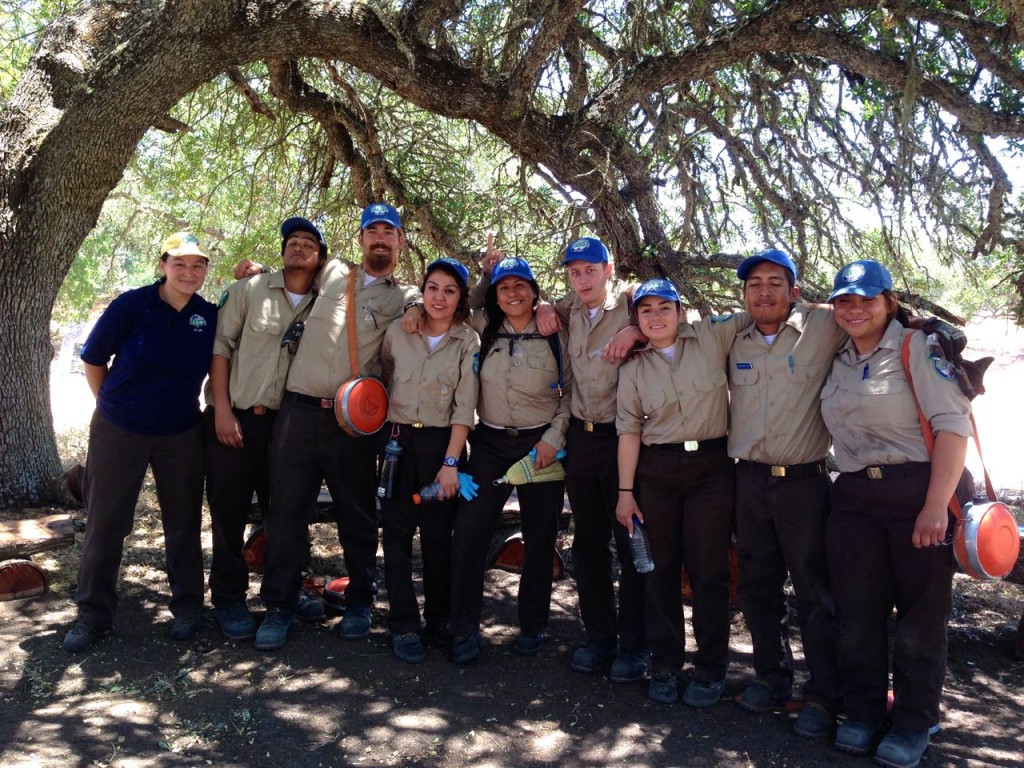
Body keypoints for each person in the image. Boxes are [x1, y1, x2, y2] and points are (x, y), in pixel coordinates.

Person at [820, 261, 971, 768]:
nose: (854, 308)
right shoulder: (836, 357)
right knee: (857, 613)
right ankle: (862, 712)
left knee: (920, 619)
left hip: (918, 492)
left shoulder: (916, 348)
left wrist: (935, 506)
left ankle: (913, 720)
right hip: (856, 498)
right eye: (844, 300)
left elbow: (953, 428)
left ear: (889, 302)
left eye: (866, 299)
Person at [254, 202, 420, 652]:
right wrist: (254, 272)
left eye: (389, 231)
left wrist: (419, 307)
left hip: (353, 422)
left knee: (358, 513)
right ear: (362, 239)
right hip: (299, 412)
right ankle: (280, 605)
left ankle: (361, 602)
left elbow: (443, 307)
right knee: (286, 511)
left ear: (400, 241)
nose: (380, 238)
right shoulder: (330, 275)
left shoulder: (406, 297)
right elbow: (289, 272)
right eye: (373, 231)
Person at [63, 232, 217, 652]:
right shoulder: (132, 305)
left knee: (183, 523)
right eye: (180, 263)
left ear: (205, 270)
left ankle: (187, 609)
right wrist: (112, 406)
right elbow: (94, 359)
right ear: (162, 265)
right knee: (106, 522)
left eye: (198, 265)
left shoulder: (209, 316)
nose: (189, 272)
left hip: (181, 431)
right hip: (120, 429)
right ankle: (93, 616)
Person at [615, 279, 751, 707]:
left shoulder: (712, 334)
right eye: (646, 311)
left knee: (710, 570)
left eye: (664, 308)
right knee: (659, 569)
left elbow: (762, 311)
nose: (656, 317)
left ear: (681, 310)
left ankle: (710, 670)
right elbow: (629, 431)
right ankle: (665, 665)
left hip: (712, 468)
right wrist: (625, 492)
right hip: (657, 472)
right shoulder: (635, 366)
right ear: (635, 318)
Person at [728, 249, 844, 737]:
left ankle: (822, 695)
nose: (764, 292)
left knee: (816, 592)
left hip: (804, 483)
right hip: (748, 481)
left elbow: (879, 316)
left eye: (775, 282)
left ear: (794, 291)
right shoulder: (734, 337)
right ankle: (771, 677)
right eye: (755, 284)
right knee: (757, 585)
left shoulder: (825, 326)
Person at [204, 216, 326, 641]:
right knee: (228, 512)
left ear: (320, 257)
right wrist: (221, 408)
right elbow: (220, 348)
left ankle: (282, 599)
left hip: (288, 427)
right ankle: (229, 600)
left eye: (309, 242)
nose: (299, 247)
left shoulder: (326, 304)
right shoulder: (248, 291)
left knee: (287, 516)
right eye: (292, 240)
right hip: (234, 419)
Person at [447, 256, 572, 664]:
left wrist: (554, 438)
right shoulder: (483, 328)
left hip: (542, 445)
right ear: (496, 296)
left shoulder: (556, 331)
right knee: (469, 533)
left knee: (540, 538)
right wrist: (485, 275)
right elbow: (461, 306)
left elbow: (572, 393)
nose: (513, 293)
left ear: (535, 291)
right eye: (504, 288)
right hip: (490, 444)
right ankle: (464, 628)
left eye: (521, 286)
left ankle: (533, 626)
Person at [547, 237, 648, 682]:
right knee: (588, 545)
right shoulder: (567, 310)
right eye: (574, 272)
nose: (583, 279)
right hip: (582, 440)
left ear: (608, 269)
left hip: (626, 440)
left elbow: (679, 322)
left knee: (632, 546)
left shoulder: (632, 303)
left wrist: (638, 329)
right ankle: (599, 638)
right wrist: (542, 306)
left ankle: (635, 645)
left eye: (590, 269)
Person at [379, 257, 480, 663]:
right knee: (396, 537)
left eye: (450, 291)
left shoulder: (467, 341)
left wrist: (451, 464)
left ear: (461, 299)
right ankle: (404, 625)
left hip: (443, 447)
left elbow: (464, 407)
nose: (439, 298)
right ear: (422, 292)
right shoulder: (398, 332)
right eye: (433, 288)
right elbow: (382, 373)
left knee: (439, 539)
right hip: (397, 443)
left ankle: (439, 621)